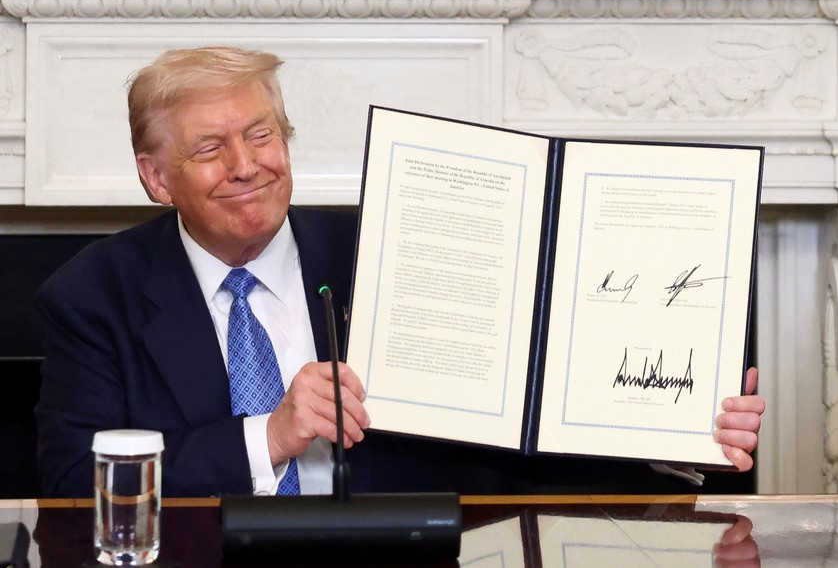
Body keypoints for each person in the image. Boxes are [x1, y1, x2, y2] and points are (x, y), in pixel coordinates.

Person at [34, 45, 765, 498]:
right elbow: (73, 487)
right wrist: (270, 436)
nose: (247, 165)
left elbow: (523, 432)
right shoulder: (92, 297)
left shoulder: (402, 250)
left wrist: (684, 433)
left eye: (262, 134)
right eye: (209, 148)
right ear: (156, 178)